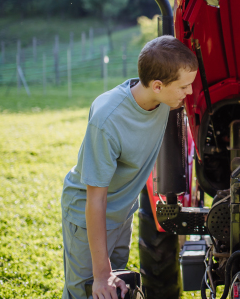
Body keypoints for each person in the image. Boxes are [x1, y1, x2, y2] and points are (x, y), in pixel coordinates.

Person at [60, 36, 198, 299]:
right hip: (89, 216)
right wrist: (101, 273)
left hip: (122, 212)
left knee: (118, 290)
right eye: (184, 87)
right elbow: (95, 199)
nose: (189, 93)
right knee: (89, 291)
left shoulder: (163, 101)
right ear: (157, 85)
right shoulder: (108, 120)